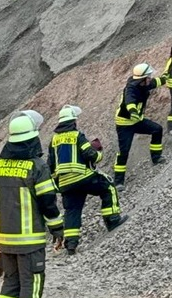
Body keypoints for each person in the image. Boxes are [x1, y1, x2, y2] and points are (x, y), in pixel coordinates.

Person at [0, 111, 63, 298]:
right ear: (32, 139)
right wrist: (57, 229)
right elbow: (47, 202)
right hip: (29, 243)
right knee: (31, 284)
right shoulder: (37, 166)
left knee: (11, 283)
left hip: (5, 241)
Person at [48, 104, 127, 254]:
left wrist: (58, 184)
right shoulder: (77, 136)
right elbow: (90, 155)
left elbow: (50, 164)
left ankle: (71, 245)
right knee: (108, 186)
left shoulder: (54, 140)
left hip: (65, 184)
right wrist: (99, 152)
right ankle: (112, 220)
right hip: (83, 177)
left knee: (72, 210)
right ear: (73, 121)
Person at [112, 63, 167, 185]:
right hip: (124, 124)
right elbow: (129, 101)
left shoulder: (144, 84)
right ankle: (118, 182)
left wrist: (165, 78)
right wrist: (133, 111)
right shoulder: (131, 88)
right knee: (124, 152)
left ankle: (156, 158)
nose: (150, 78)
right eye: (148, 76)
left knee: (157, 129)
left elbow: (155, 83)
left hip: (136, 120)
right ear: (143, 79)